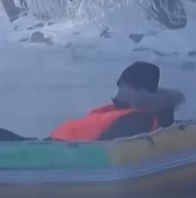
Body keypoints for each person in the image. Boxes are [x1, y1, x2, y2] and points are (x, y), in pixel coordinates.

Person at [48, 61, 184, 142]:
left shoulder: (135, 120)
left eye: (122, 86)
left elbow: (102, 148)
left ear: (137, 89)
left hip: (63, 151)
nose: (119, 91)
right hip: (58, 144)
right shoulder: (131, 114)